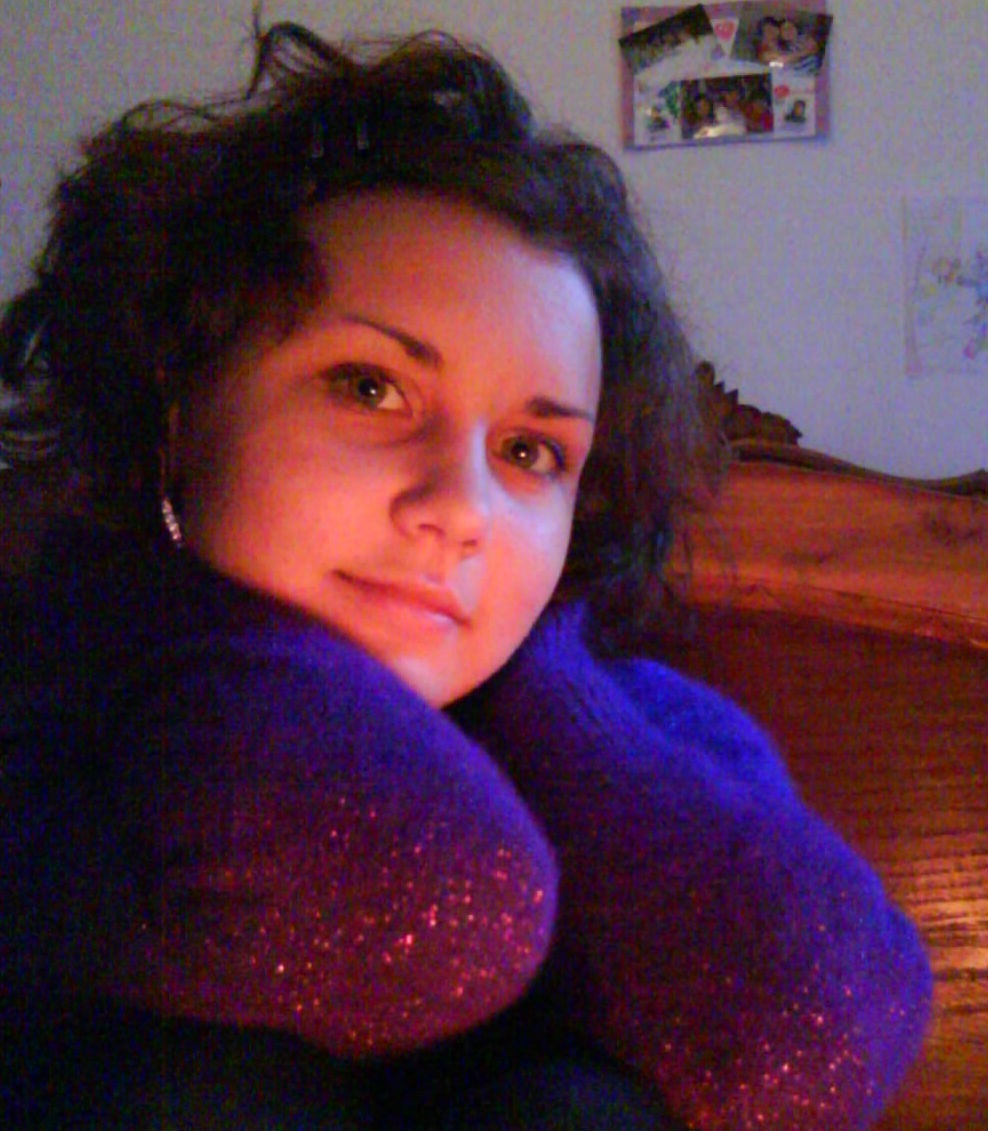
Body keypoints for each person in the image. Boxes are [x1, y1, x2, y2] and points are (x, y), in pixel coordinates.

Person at [1, 18, 931, 1131]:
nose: (461, 509)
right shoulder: (55, 696)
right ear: (182, 403)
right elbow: (418, 894)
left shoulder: (648, 725)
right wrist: (181, 620)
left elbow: (809, 1049)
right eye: (369, 387)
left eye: (531, 453)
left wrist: (545, 686)